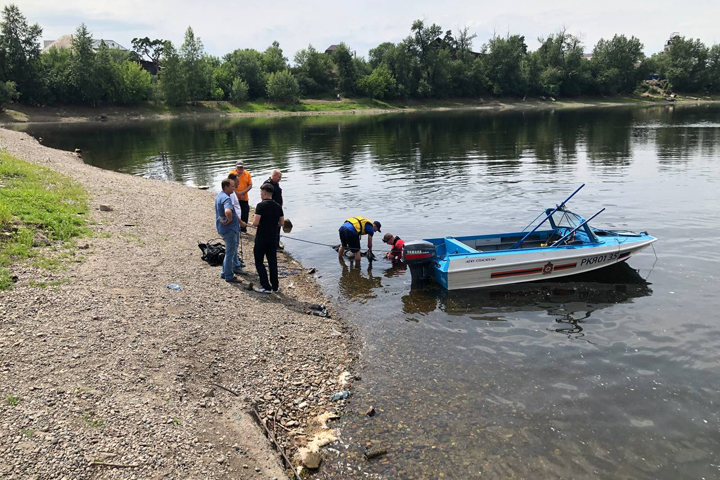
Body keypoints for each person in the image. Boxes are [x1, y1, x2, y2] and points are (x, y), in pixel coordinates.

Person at [252, 183, 284, 293]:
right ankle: (275, 286)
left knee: (259, 261)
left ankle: (265, 286)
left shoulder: (260, 206)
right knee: (272, 262)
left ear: (265, 192)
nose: (260, 194)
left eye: (261, 192)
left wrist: (256, 222)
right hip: (272, 238)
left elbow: (255, 223)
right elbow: (281, 222)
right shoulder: (278, 206)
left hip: (261, 238)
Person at [215, 179, 246, 283]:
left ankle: (224, 273)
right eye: (232, 186)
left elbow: (231, 211)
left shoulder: (219, 196)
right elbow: (228, 211)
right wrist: (230, 220)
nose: (234, 188)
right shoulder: (226, 198)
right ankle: (229, 276)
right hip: (229, 230)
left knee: (230, 252)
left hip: (223, 228)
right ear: (226, 187)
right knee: (230, 253)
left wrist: (240, 222)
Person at [262, 169, 283, 249]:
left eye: (280, 177)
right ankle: (272, 245)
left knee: (278, 227)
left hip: (278, 207)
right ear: (273, 176)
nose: (280, 179)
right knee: (272, 227)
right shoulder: (267, 184)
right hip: (271, 209)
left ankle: (276, 244)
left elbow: (279, 194)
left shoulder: (276, 184)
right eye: (279, 177)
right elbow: (264, 197)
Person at [229, 161, 252, 232]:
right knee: (235, 212)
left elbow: (250, 185)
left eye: (241, 167)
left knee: (245, 212)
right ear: (236, 167)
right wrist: (237, 194)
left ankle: (243, 229)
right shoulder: (232, 174)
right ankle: (235, 227)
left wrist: (242, 193)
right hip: (234, 196)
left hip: (244, 197)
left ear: (243, 167)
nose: (240, 168)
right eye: (238, 167)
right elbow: (229, 184)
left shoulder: (247, 174)